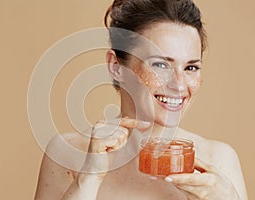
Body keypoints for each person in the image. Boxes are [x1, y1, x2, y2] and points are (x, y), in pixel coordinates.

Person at [35, 0, 248, 199]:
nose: (180, 85)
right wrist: (88, 178)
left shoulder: (219, 160)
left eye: (191, 67)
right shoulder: (66, 154)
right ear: (116, 67)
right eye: (160, 65)